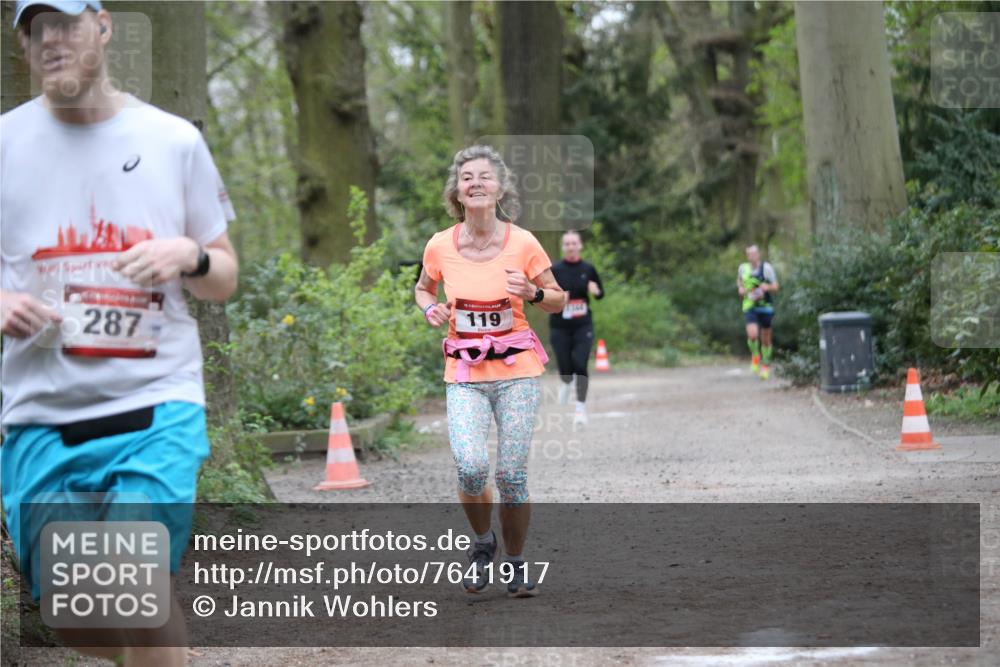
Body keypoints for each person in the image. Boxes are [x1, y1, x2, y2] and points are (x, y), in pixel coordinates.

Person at [1, 2, 238, 664]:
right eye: (33, 29)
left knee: (135, 577)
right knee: (79, 620)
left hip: (156, 401)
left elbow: (223, 273)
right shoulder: (3, 143)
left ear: (103, 25)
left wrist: (188, 255)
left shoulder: (171, 140)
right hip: (40, 414)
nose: (49, 40)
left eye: (64, 23)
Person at [415, 145, 565, 598]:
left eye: (484, 176)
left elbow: (559, 297)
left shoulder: (523, 242)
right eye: (466, 177)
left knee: (512, 477)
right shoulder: (440, 244)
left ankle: (516, 564)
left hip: (517, 370)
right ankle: (483, 543)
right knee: (471, 468)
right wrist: (430, 309)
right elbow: (423, 289)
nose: (475, 182)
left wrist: (535, 295)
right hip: (463, 372)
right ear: (456, 192)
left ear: (500, 188)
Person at [549, 230, 604, 428]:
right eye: (567, 244)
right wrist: (557, 297)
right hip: (559, 325)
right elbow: (545, 294)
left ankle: (580, 409)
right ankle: (565, 382)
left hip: (582, 324)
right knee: (565, 366)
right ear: (563, 247)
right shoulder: (555, 269)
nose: (571, 247)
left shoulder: (588, 269)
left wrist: (595, 291)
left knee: (580, 364)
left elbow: (600, 293)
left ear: (580, 245)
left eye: (574, 243)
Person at [737, 244, 779, 379]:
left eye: (754, 254)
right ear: (747, 255)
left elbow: (776, 286)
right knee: (753, 334)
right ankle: (755, 355)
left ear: (758, 254)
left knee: (766, 339)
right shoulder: (743, 268)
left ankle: (765, 366)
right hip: (750, 306)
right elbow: (739, 282)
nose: (752, 256)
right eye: (749, 254)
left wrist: (767, 287)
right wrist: (741, 289)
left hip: (765, 307)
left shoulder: (766, 268)